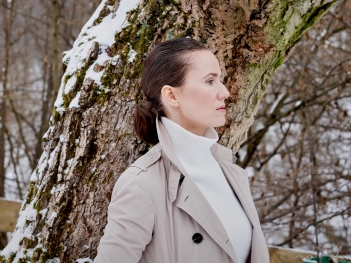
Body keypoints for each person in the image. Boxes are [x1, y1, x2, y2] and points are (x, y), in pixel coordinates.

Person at [94, 38, 269, 262]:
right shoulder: (142, 184)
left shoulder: (230, 170)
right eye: (210, 81)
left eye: (220, 80)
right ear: (171, 96)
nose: (224, 92)